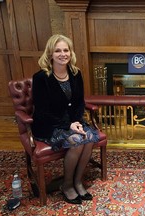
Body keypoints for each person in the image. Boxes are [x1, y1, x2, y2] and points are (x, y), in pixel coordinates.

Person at [31, 34, 99, 205]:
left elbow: (79, 103)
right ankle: (67, 185)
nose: (63, 54)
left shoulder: (76, 73)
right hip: (49, 124)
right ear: (50, 54)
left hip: (72, 121)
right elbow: (42, 111)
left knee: (89, 138)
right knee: (77, 140)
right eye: (58, 51)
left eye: (66, 50)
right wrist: (69, 125)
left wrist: (76, 121)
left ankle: (77, 181)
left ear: (71, 52)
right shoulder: (41, 78)